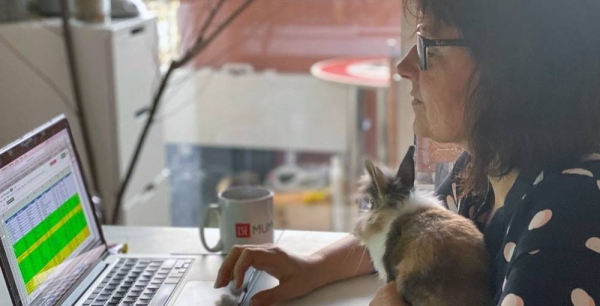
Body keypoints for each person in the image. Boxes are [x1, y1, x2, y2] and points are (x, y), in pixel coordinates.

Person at [214, 0, 600, 304]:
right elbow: (405, 231)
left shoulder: (570, 215)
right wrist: (312, 266)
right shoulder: (484, 171)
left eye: (426, 45)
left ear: (511, 66)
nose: (404, 66)